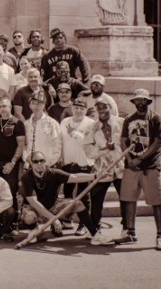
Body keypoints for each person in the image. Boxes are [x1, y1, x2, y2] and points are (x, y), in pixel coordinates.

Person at [117, 89, 161, 250]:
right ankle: (130, 232)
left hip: (150, 166)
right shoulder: (129, 119)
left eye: (143, 100)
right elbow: (123, 140)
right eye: (137, 100)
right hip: (131, 166)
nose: (140, 103)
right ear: (134, 102)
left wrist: (141, 158)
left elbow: (157, 142)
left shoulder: (156, 118)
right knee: (129, 199)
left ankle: (160, 236)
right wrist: (130, 159)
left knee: (156, 201)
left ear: (147, 101)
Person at [20, 151, 105, 245]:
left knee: (78, 204)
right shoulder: (26, 177)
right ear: (31, 163)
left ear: (45, 162)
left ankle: (94, 234)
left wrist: (95, 176)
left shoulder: (54, 173)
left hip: (53, 206)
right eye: (35, 161)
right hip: (34, 209)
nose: (39, 164)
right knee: (29, 217)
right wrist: (54, 219)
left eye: (41, 161)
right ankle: (34, 230)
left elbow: (75, 177)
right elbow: (34, 203)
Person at [82, 97, 126, 240]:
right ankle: (94, 228)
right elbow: (89, 151)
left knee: (125, 198)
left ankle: (127, 228)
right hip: (102, 168)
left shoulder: (122, 123)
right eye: (98, 108)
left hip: (121, 167)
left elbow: (127, 144)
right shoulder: (91, 128)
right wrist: (104, 148)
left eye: (104, 107)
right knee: (96, 198)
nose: (102, 111)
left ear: (110, 107)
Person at [59, 99, 95, 235]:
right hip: (68, 163)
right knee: (68, 194)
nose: (78, 110)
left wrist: (74, 133)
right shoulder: (64, 121)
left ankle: (83, 224)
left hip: (84, 163)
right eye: (76, 108)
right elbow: (61, 140)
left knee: (84, 195)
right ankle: (67, 220)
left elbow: (90, 142)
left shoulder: (91, 123)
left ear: (86, 110)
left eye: (81, 108)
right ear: (72, 108)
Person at [0, 97, 25, 221]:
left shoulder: (17, 123)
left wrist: (12, 162)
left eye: (4, 106)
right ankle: (0, 220)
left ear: (10, 106)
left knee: (10, 192)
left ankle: (14, 221)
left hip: (11, 164)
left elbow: (21, 145)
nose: (2, 109)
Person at [23, 90, 62, 167]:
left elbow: (57, 146)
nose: (36, 106)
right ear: (30, 105)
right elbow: (23, 145)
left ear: (44, 105)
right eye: (33, 103)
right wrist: (26, 157)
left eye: (39, 103)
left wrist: (47, 164)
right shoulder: (26, 124)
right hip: (30, 165)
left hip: (47, 165)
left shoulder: (52, 123)